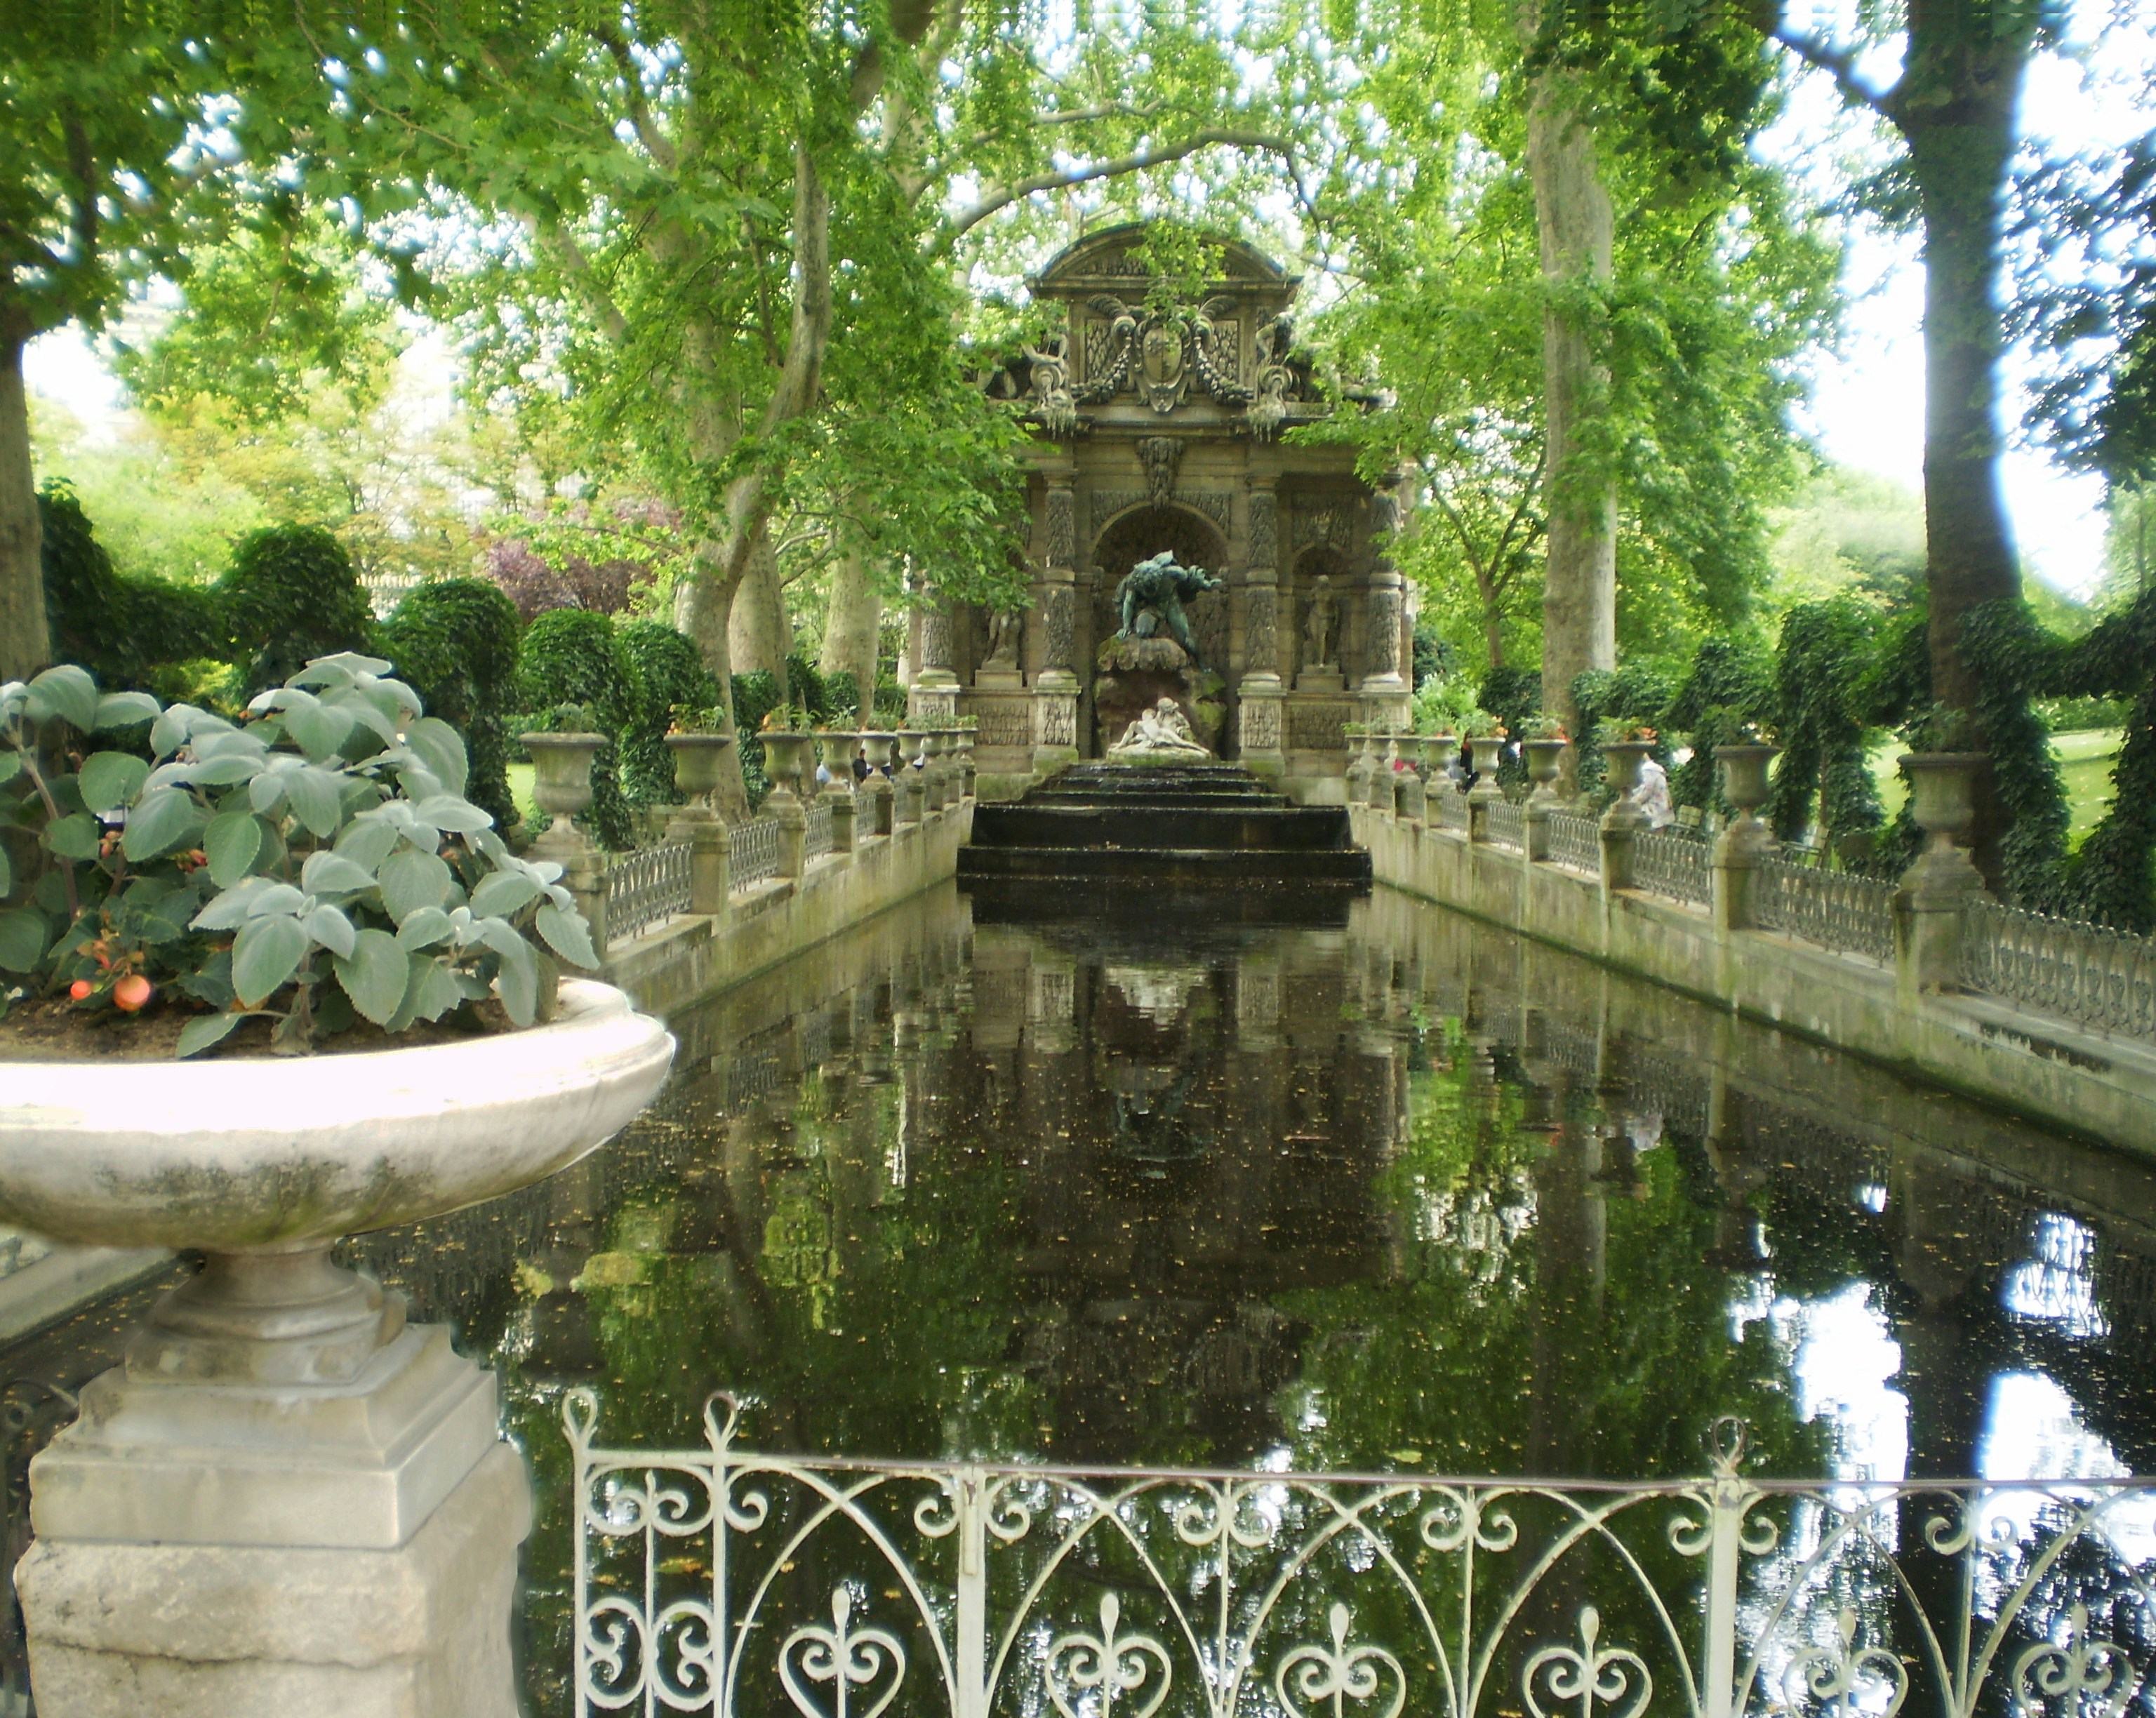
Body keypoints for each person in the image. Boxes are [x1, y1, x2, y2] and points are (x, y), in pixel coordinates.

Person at [1635, 754, 1675, 829]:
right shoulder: (1656, 769)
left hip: (1655, 812)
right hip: (1663, 809)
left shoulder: (1649, 770)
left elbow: (1646, 792)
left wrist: (1631, 803)